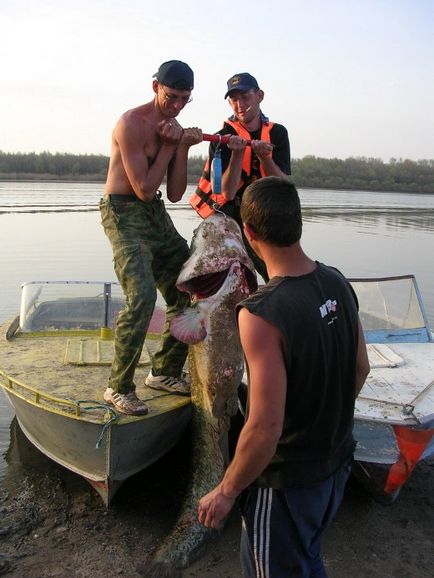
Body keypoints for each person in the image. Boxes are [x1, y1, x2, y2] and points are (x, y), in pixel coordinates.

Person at [198, 177, 370, 577]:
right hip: (337, 463)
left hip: (286, 485)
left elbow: (264, 428)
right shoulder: (337, 282)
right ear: (298, 223)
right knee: (307, 559)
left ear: (249, 233)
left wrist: (226, 492)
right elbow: (361, 368)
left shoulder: (261, 314)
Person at [100, 60, 203, 415]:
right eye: (171, 96)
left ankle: (164, 372)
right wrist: (169, 146)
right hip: (122, 213)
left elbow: (173, 194)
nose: (175, 106)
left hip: (155, 214)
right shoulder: (131, 123)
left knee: (190, 289)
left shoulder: (172, 127)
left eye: (184, 100)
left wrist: (183, 148)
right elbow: (143, 188)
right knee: (142, 296)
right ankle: (118, 387)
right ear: (155, 86)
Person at [190, 72, 291, 281]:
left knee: (279, 275)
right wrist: (237, 154)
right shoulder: (221, 138)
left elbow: (283, 184)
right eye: (234, 99)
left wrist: (265, 158)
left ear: (259, 96)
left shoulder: (278, 133)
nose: (239, 104)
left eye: (245, 97)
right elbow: (226, 191)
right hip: (231, 218)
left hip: (263, 216)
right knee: (234, 280)